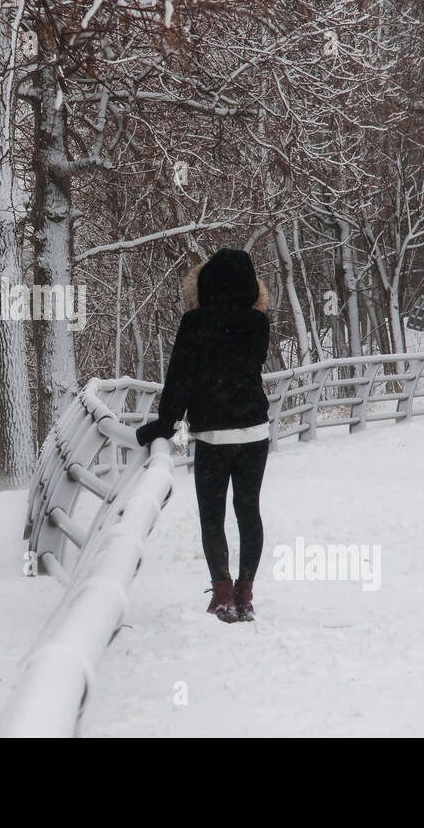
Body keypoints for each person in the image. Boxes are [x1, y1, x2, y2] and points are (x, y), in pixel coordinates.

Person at [136, 248, 271, 622]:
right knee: (249, 512)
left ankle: (223, 593)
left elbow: (180, 380)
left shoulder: (194, 323)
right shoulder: (259, 323)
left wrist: (164, 426)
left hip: (214, 435)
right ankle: (246, 594)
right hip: (255, 432)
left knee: (212, 517)